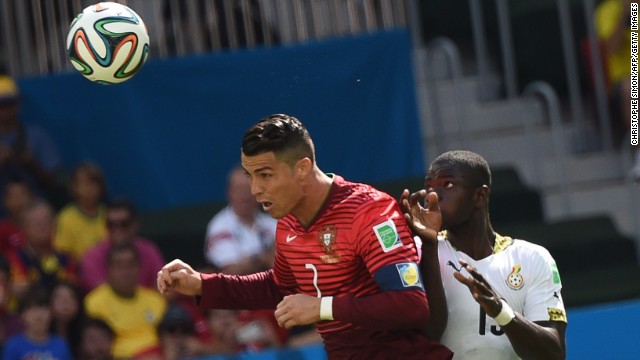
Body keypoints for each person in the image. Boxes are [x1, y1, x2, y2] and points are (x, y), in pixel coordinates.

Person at [158, 114, 453, 359]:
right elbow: (279, 285)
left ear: (302, 168)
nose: (255, 189)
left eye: (265, 175)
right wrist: (201, 283)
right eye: (250, 176)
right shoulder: (288, 223)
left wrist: (322, 307)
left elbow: (410, 305)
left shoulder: (370, 212)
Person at [400, 150, 567, 359]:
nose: (433, 196)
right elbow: (429, 335)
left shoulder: (533, 257)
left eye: (447, 185)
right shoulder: (417, 251)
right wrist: (429, 244)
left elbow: (553, 354)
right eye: (428, 187)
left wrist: (500, 311)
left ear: (479, 196)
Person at [85, 242, 166, 359]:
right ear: (109, 270)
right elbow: (96, 350)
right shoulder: (94, 302)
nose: (126, 271)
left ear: (139, 268)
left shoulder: (156, 300)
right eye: (119, 265)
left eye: (131, 265)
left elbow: (168, 338)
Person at [0, 75, 64, 209]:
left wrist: (31, 164)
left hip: (36, 214)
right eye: (1, 105)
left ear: (18, 104)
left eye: (9, 104)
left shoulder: (36, 136)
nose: (5, 110)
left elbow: (56, 183)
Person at [80, 197, 165, 292]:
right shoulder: (92, 256)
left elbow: (163, 287)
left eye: (123, 224)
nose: (117, 230)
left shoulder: (149, 250)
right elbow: (101, 295)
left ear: (135, 225)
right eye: (111, 224)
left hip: (149, 305)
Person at [204, 165, 276, 274]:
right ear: (229, 192)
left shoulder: (272, 224)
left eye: (249, 190)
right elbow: (230, 271)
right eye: (239, 190)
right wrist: (262, 257)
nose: (245, 197)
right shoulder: (219, 226)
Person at [594, 0, 636, 177]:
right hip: (627, 77)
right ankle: (639, 150)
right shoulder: (608, 10)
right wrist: (626, 15)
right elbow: (612, 48)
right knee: (631, 88)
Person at [5, 200, 77, 301]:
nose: (41, 226)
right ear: (24, 227)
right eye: (35, 222)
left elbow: (73, 289)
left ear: (54, 225)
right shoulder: (13, 259)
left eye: (46, 221)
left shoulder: (67, 259)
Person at [1, 285, 72, 360]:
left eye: (43, 308)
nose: (38, 314)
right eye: (32, 308)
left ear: (51, 313)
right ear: (22, 315)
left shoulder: (61, 345)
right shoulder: (12, 345)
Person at [54, 162, 108, 260]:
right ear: (75, 187)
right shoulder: (66, 218)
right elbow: (63, 254)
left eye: (94, 183)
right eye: (85, 183)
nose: (90, 188)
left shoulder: (109, 214)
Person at [0, 178, 33, 256]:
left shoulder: (42, 225)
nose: (18, 199)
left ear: (31, 197)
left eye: (22, 194)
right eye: (13, 196)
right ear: (5, 201)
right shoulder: (2, 230)